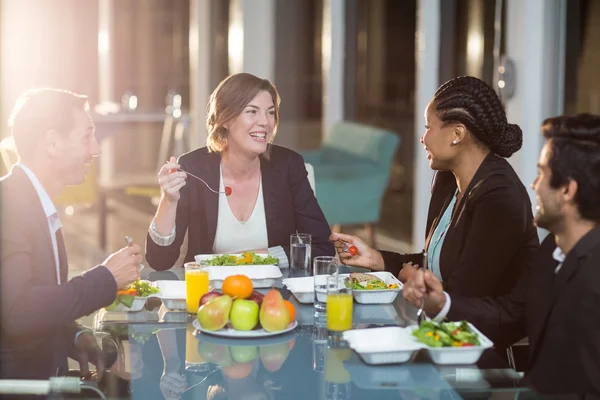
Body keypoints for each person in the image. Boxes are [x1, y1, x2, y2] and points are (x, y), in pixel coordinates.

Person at [402, 113, 600, 397]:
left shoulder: (594, 278)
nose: (534, 185)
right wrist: (442, 303)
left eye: (542, 173)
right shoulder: (551, 252)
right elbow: (510, 315)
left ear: (568, 190)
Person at [332, 76, 539, 298]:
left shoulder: (499, 197)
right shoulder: (447, 179)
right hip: (443, 319)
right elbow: (434, 263)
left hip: (484, 330)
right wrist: (374, 258)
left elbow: (466, 294)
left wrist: (412, 278)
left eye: (428, 127)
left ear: (457, 134)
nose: (422, 138)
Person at [0, 88, 143, 380]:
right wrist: (106, 278)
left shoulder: (34, 202)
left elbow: (35, 301)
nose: (96, 149)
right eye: (86, 136)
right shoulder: (9, 204)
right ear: (52, 142)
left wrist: (74, 337)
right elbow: (19, 310)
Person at [146, 73, 334, 270]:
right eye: (252, 111)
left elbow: (321, 248)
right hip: (208, 295)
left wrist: (247, 259)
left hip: (277, 294)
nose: (265, 122)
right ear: (224, 118)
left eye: (270, 112)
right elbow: (159, 261)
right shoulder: (194, 167)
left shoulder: (288, 165)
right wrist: (169, 201)